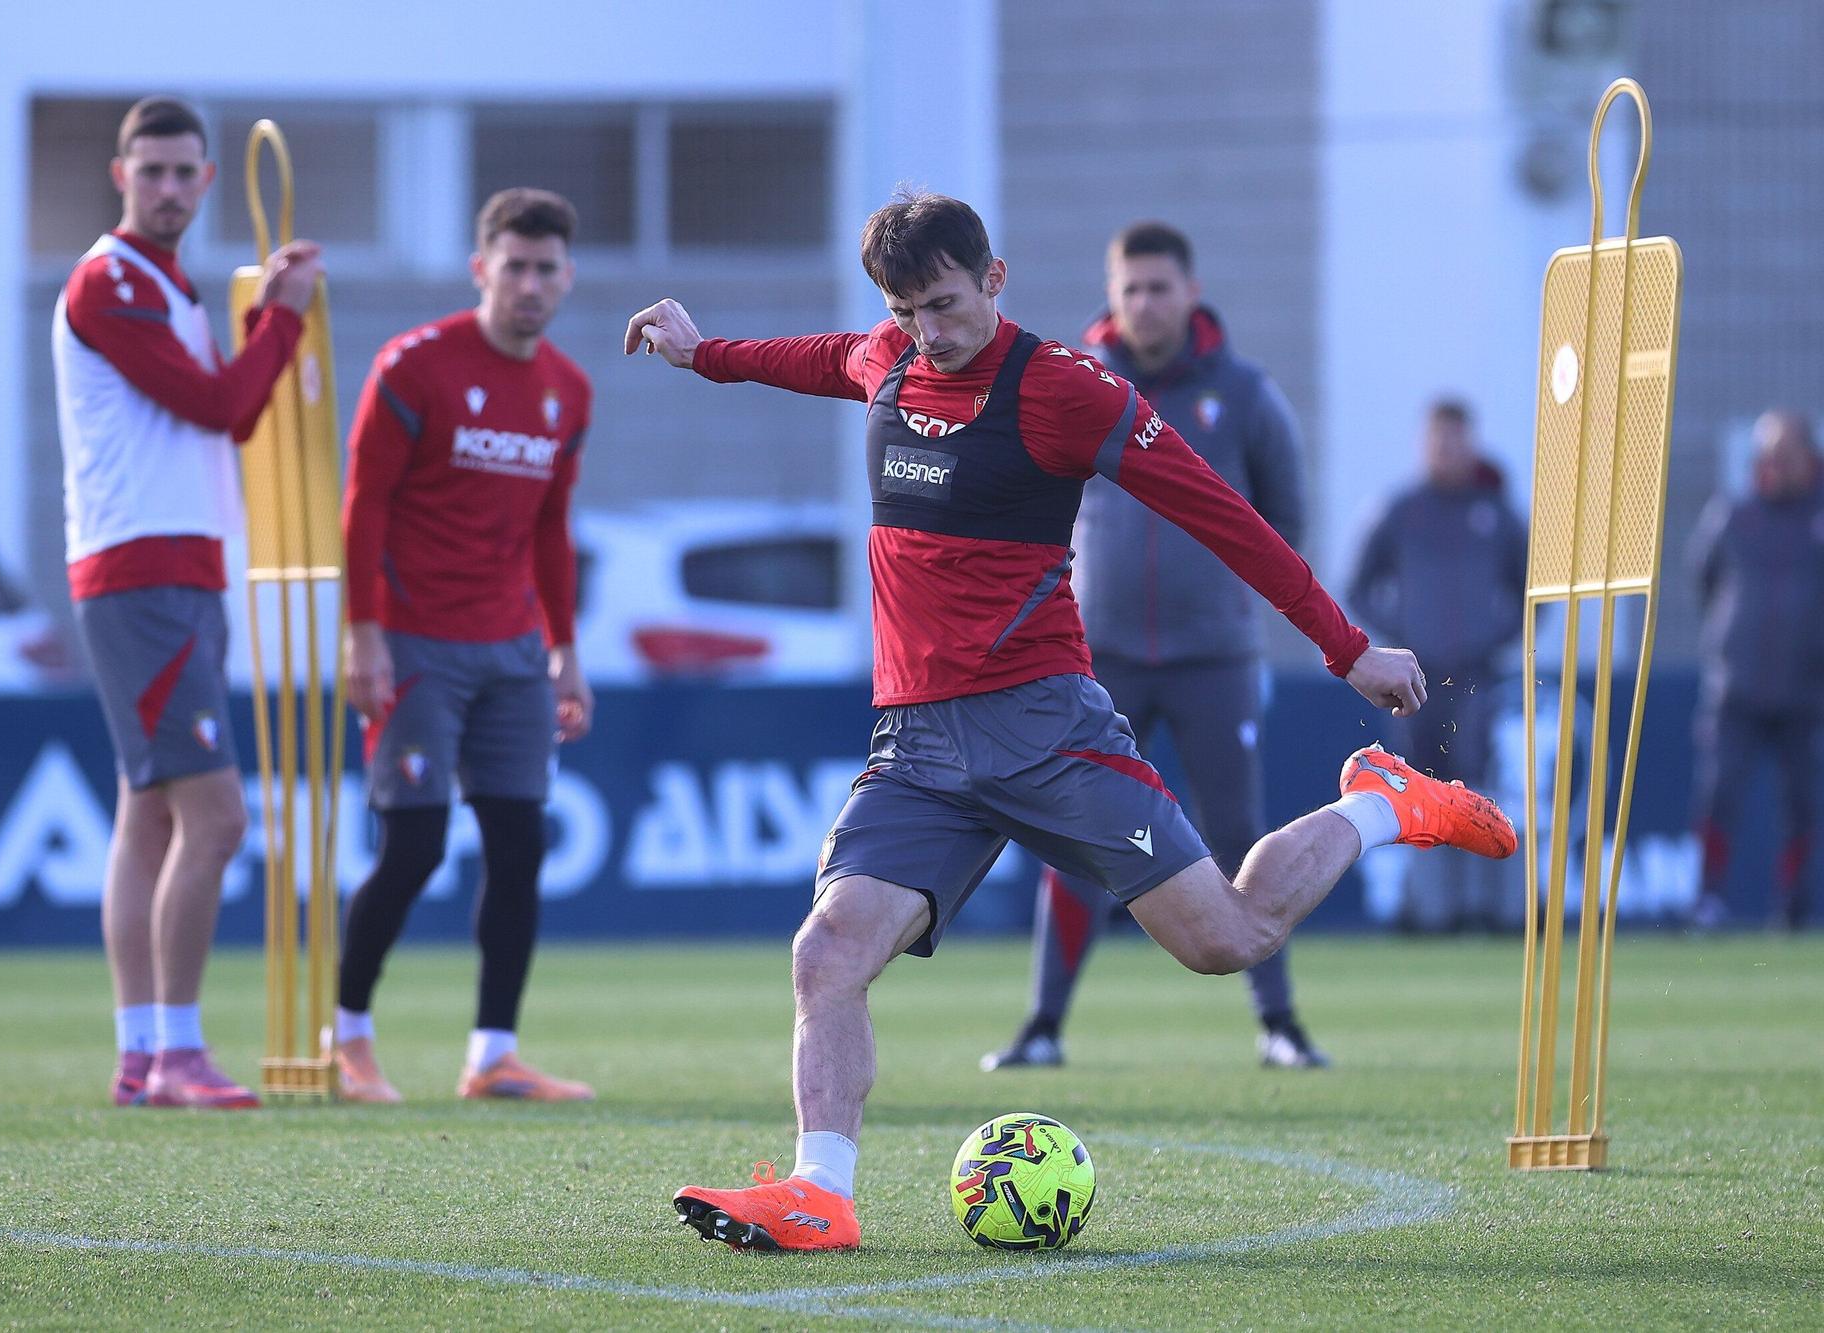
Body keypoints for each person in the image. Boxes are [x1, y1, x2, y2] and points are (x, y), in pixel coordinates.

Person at [624, 191, 1515, 1252]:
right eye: (905, 310)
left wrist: (1345, 645)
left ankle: (1377, 805)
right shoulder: (886, 357)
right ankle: (822, 1190)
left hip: (1045, 727)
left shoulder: (1063, 392)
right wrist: (701, 353)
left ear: (995, 279)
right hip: (914, 744)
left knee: (1223, 939)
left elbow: (1219, 513)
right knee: (826, 952)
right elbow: (817, 357)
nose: (927, 332)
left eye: (945, 304)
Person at [982, 220, 1327, 1075]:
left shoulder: (1246, 395)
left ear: (1190, 291)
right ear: (1113, 295)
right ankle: (1043, 1025)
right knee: (1080, 838)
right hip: (1101, 658)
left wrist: (1225, 593)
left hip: (1215, 656)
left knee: (1240, 833)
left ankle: (1278, 1023)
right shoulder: (1074, 383)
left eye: (1159, 287)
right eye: (1129, 288)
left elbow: (1284, 515)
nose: (1144, 303)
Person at [52, 96, 323, 1108]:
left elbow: (209, 415)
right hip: (141, 570)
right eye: (149, 170)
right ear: (119, 173)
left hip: (176, 567)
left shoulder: (164, 282)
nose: (167, 187)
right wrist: (284, 315)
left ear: (209, 180)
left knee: (151, 821)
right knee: (213, 819)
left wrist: (263, 317)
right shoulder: (111, 278)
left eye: (182, 172)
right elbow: (223, 407)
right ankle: (173, 1050)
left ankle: (142, 1052)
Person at [332, 188, 596, 1104]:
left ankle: (493, 1054)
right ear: (482, 269)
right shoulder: (416, 367)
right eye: (513, 266)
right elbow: (362, 504)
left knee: (519, 845)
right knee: (413, 846)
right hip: (413, 648)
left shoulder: (569, 389)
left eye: (545, 268)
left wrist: (565, 648)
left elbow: (551, 530)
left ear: (567, 276)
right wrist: (361, 634)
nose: (530, 283)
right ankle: (348, 1037)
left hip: (514, 650)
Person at [1348, 398, 1528, 931]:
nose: (1448, 451)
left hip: (1477, 679)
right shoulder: (1401, 511)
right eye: (1439, 440)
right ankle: (1428, 909)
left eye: (1457, 440)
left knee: (1480, 787)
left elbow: (1529, 592)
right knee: (1418, 787)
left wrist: (1495, 641)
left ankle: (1488, 908)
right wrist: (1399, 633)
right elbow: (1358, 585)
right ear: (1424, 445)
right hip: (1415, 680)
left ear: (1471, 444)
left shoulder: (1495, 514)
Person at [1686, 409, 1824, 931]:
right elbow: (1703, 576)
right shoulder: (1734, 515)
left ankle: (1794, 908)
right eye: (1769, 454)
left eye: (1787, 454)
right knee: (1720, 794)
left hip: (1808, 690)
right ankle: (1707, 900)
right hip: (1737, 687)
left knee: (1803, 805)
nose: (1777, 465)